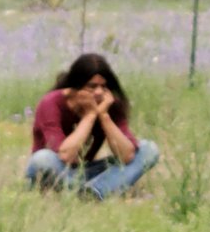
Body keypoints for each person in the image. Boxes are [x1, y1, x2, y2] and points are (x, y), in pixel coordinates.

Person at [25, 53, 159, 200]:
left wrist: (104, 116)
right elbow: (65, 155)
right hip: (56, 169)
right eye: (92, 86)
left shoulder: (109, 105)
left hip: (86, 171)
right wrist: (90, 115)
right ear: (75, 87)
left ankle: (94, 191)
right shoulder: (51, 103)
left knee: (148, 149)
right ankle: (105, 188)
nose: (99, 92)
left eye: (103, 86)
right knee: (42, 159)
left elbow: (127, 156)